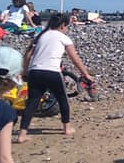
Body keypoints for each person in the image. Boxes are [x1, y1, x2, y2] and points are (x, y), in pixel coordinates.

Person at [17, 12, 95, 142]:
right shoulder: (63, 38)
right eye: (67, 26)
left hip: (35, 71)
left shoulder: (40, 35)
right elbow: (75, 60)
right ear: (63, 25)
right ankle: (67, 128)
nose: (67, 29)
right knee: (62, 98)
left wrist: (25, 71)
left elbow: (27, 55)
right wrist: (85, 74)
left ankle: (22, 134)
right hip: (52, 72)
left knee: (32, 102)